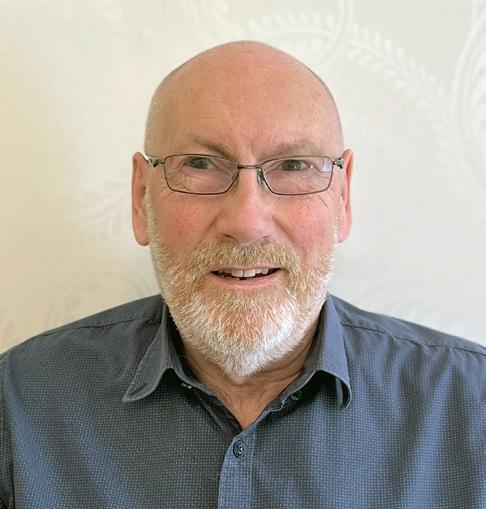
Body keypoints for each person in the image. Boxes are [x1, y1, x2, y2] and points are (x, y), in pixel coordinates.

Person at [1, 41, 484, 509]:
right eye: (200, 165)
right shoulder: (17, 406)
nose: (247, 222)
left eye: (293, 165)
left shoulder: (472, 407)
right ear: (140, 197)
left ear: (343, 197)